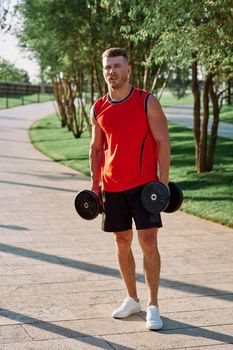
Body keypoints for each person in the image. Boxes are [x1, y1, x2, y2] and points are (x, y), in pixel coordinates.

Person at [89, 47, 170, 330]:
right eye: (108, 67)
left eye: (117, 66)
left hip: (145, 187)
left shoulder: (147, 101)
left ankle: (153, 305)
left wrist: (163, 184)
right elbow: (96, 149)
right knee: (121, 240)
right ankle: (132, 299)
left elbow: (163, 142)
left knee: (148, 241)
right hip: (112, 187)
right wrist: (94, 188)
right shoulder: (98, 107)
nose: (112, 72)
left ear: (128, 69)